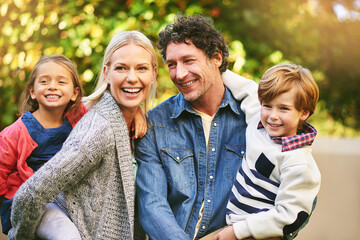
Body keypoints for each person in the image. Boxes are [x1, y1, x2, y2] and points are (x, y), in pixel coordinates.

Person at [7, 30, 157, 239]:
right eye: (121, 68)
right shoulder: (99, 130)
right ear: (106, 73)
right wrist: (21, 235)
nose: (132, 78)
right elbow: (32, 192)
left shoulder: (145, 124)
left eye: (141, 68)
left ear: (154, 73)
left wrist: (139, 111)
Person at [213, 63, 321, 240]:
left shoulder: (299, 163)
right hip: (233, 226)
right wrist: (213, 67)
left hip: (259, 235)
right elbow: (246, 87)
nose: (273, 116)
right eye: (267, 105)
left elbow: (289, 216)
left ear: (303, 113)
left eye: (284, 108)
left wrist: (238, 231)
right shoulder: (258, 120)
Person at [0, 54, 86, 237]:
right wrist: (12, 199)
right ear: (33, 91)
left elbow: (108, 108)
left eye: (61, 82)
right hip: (34, 203)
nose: (52, 86)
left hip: (67, 198)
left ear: (74, 93)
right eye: (44, 81)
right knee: (67, 235)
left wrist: (136, 114)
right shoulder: (16, 132)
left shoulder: (78, 119)